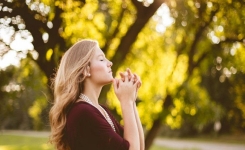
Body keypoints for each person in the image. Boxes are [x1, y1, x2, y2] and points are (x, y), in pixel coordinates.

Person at [49, 39, 145, 150]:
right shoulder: (83, 112)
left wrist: (131, 99)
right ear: (86, 70)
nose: (110, 63)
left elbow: (140, 147)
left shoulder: (100, 110)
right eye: (101, 59)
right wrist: (126, 101)